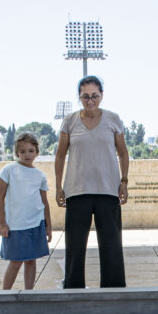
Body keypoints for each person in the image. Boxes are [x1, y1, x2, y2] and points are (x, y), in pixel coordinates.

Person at [54, 76, 129, 289]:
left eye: (94, 96)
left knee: (112, 244)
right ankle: (73, 287)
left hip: (108, 190)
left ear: (101, 95)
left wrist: (124, 181)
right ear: (79, 97)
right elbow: (60, 155)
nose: (90, 101)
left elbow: (123, 153)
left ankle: (113, 289)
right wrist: (59, 186)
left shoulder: (113, 119)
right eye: (85, 97)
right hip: (77, 190)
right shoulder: (69, 121)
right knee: (75, 245)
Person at [0, 133, 52, 290]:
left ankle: (29, 293)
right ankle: (4, 294)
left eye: (31, 150)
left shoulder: (40, 175)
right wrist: (2, 224)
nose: (27, 154)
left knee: (31, 260)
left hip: (36, 223)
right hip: (15, 225)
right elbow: (0, 198)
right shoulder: (8, 170)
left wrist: (48, 226)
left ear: (37, 152)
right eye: (23, 151)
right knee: (15, 262)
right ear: (17, 153)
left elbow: (44, 202)